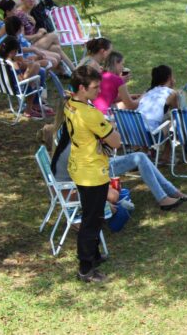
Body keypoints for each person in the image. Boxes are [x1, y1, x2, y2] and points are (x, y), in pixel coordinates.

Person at [51, 120, 187, 212]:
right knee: (115, 194)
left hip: (95, 168)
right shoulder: (75, 148)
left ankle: (170, 193)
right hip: (74, 186)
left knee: (140, 157)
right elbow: (88, 177)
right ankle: (165, 197)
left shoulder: (74, 138)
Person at [64, 66, 122, 283]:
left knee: (93, 215)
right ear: (82, 88)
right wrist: (109, 127)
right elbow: (115, 141)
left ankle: (94, 254)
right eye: (95, 87)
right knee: (92, 219)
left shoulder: (70, 104)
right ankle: (86, 268)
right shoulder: (90, 114)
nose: (99, 91)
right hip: (91, 172)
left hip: (79, 166)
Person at [0, 36, 51, 118]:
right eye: (16, 51)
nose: (16, 53)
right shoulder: (13, 63)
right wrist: (31, 70)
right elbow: (21, 80)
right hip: (18, 88)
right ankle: (28, 110)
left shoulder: (0, 60)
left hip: (6, 86)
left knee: (38, 70)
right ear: (13, 51)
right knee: (36, 70)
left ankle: (35, 105)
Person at [138, 64, 178, 131]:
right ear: (169, 78)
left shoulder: (148, 91)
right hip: (150, 133)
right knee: (171, 123)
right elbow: (176, 113)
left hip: (134, 127)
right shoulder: (171, 93)